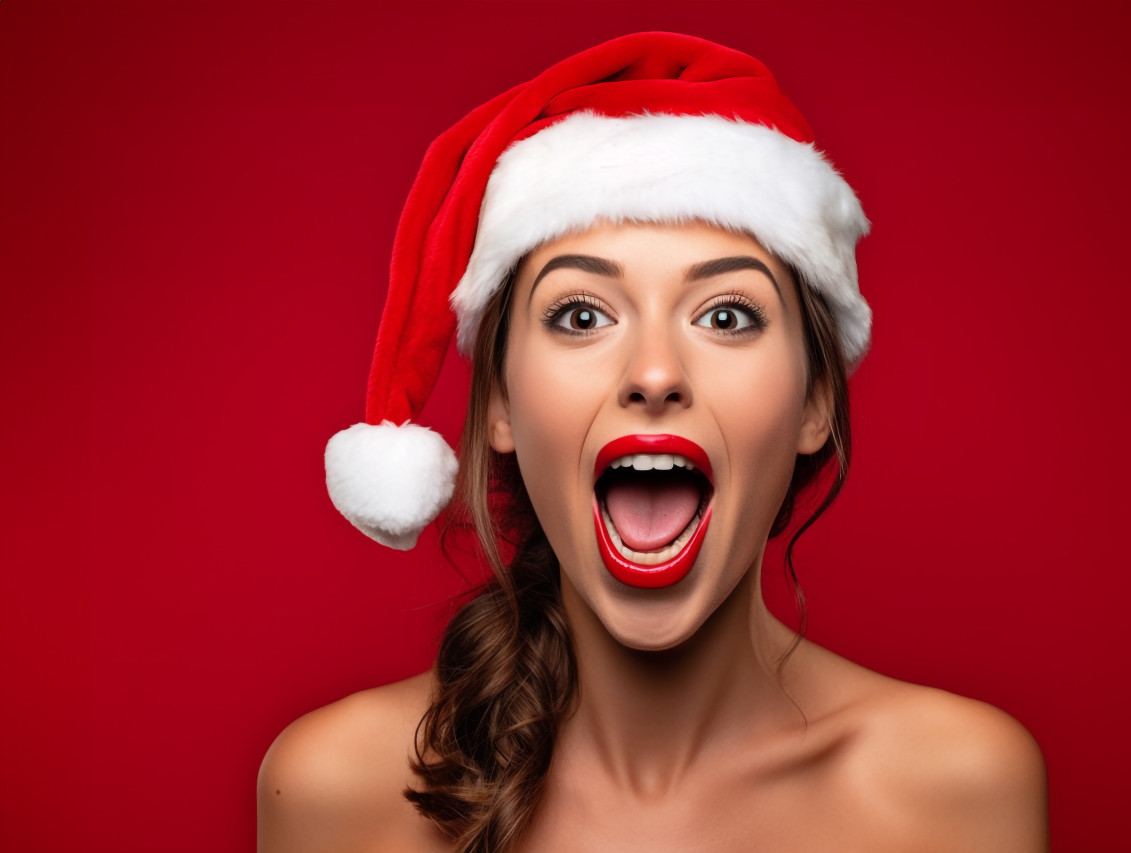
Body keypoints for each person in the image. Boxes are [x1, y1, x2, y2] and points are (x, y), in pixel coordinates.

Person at [258, 32, 1047, 853]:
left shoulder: (952, 793)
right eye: (582, 314)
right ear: (498, 404)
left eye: (726, 315)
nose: (656, 371)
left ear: (816, 401)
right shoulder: (338, 791)